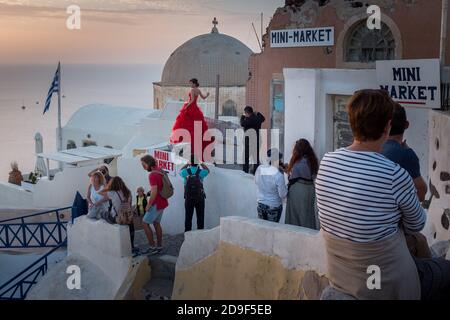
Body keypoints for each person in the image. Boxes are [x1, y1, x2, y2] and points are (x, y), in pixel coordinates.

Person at [316, 89, 450, 300]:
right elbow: (416, 224)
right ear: (387, 127)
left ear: (351, 122)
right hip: (385, 281)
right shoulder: (395, 175)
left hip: (344, 278)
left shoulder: (326, 163)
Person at [381, 103, 431, 258]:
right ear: (406, 125)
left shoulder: (375, 149)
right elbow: (421, 192)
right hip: (393, 234)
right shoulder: (405, 154)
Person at [170, 78, 210, 162]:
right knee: (197, 126)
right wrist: (207, 95)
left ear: (194, 84)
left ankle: (184, 142)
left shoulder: (192, 90)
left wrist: (187, 106)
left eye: (191, 83)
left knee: (186, 124)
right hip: (196, 109)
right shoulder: (198, 90)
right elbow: (203, 97)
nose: (190, 85)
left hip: (191, 107)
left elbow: (191, 100)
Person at [98, 176, 137, 255]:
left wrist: (108, 187)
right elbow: (130, 205)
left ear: (112, 184)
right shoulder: (128, 192)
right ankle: (132, 246)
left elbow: (100, 192)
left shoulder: (112, 193)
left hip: (118, 218)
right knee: (131, 229)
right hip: (129, 218)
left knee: (103, 213)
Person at [285, 139, 319, 229]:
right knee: (307, 216)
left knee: (294, 217)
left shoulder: (298, 162)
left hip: (298, 190)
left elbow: (292, 177)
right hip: (310, 189)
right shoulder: (312, 161)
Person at [141, 155, 170, 255]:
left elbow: (154, 192)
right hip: (163, 202)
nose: (143, 167)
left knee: (145, 223)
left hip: (156, 203)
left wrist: (149, 204)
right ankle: (159, 246)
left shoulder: (152, 175)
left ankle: (152, 246)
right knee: (156, 223)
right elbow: (158, 187)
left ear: (148, 163)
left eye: (143, 164)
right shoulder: (160, 170)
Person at [254, 149, 287, 223]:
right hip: (273, 206)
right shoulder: (278, 175)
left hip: (261, 203)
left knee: (261, 228)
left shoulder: (260, 168)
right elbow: (282, 194)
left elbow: (256, 181)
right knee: (272, 231)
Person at [180, 155, 210, 232]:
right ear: (197, 163)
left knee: (188, 218)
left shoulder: (185, 172)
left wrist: (187, 164)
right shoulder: (201, 172)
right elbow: (208, 170)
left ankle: (187, 237)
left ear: (190, 163)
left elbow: (180, 170)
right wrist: (201, 163)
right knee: (200, 218)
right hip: (200, 198)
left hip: (188, 198)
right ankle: (199, 237)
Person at [240, 106, 265, 174]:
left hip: (249, 142)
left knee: (246, 158)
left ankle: (245, 172)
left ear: (247, 113)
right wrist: (258, 113)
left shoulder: (249, 120)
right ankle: (255, 173)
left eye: (245, 113)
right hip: (257, 141)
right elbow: (263, 118)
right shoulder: (257, 118)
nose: (245, 114)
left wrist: (242, 116)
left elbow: (242, 123)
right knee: (255, 158)